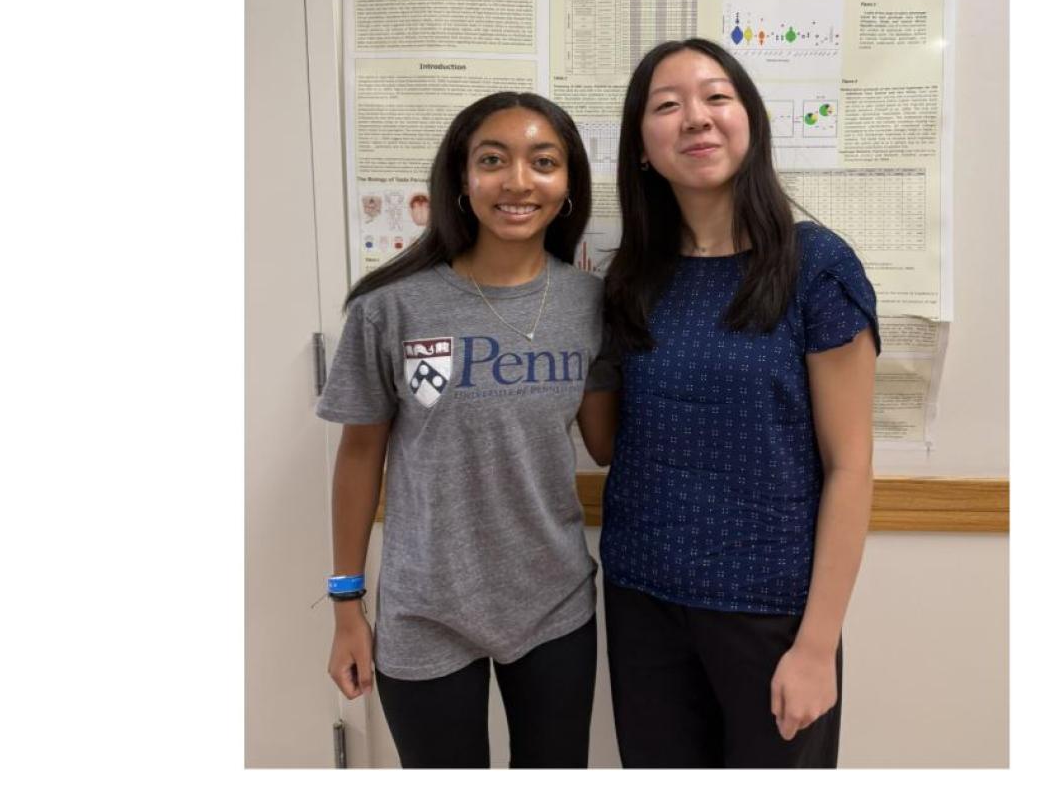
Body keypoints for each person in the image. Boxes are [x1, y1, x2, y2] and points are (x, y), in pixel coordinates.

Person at [316, 92, 618, 769]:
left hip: (554, 602)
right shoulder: (390, 306)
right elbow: (359, 457)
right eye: (493, 160)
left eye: (543, 162)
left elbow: (607, 444)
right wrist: (345, 606)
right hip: (427, 606)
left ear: (569, 187)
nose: (517, 182)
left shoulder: (590, 304)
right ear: (460, 178)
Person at [600, 39, 880, 768]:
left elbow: (850, 466)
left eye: (717, 97)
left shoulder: (815, 264)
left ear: (750, 120)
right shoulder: (633, 276)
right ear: (641, 147)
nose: (696, 118)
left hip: (770, 610)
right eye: (668, 105)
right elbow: (610, 440)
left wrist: (817, 647)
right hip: (642, 601)